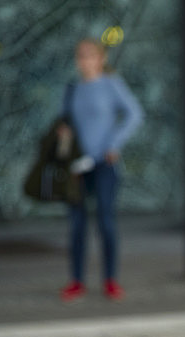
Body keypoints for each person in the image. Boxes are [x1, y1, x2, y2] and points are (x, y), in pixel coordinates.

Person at [59, 38, 143, 302]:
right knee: (77, 225)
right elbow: (64, 122)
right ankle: (76, 281)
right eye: (81, 56)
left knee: (106, 222)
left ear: (101, 58)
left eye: (90, 55)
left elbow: (134, 114)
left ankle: (110, 280)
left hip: (104, 164)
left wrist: (114, 143)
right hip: (77, 166)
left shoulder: (111, 85)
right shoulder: (72, 89)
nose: (85, 60)